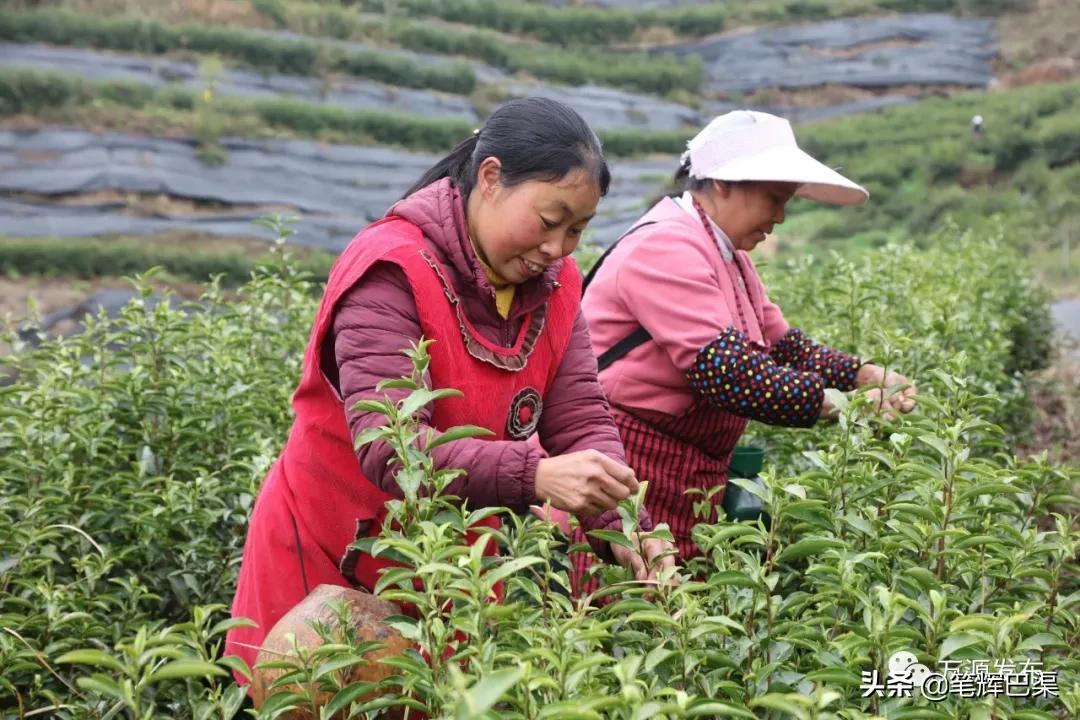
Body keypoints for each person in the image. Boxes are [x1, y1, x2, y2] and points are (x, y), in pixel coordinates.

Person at [226, 97, 675, 675]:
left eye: (577, 230)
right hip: (331, 552)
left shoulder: (555, 285)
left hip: (450, 563)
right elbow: (393, 448)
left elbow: (582, 417)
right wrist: (535, 475)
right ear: (490, 178)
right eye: (547, 222)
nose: (557, 248)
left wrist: (624, 523)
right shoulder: (391, 268)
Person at [576, 110, 917, 563]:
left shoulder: (727, 256)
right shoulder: (665, 247)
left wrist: (862, 374)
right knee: (629, 612)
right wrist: (847, 407)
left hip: (684, 469)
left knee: (673, 617)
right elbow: (731, 374)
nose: (779, 216)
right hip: (631, 464)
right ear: (723, 183)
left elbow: (784, 346)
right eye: (774, 198)